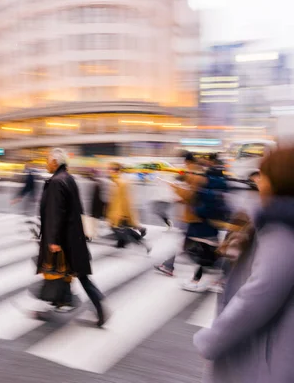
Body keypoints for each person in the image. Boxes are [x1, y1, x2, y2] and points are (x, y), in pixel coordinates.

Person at [194, 146, 294, 383]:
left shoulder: (281, 230)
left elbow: (259, 295)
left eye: (263, 174)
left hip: (263, 359)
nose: (257, 180)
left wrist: (212, 340)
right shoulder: (274, 222)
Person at [36, 148, 106, 326]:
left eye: (47, 160)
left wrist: (53, 240)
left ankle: (66, 304)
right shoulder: (69, 178)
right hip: (73, 237)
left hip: (63, 239)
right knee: (76, 275)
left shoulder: (57, 182)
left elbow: (55, 213)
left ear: (54, 162)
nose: (45, 163)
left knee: (58, 272)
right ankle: (67, 304)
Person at [154, 152, 218, 291]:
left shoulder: (196, 175)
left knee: (201, 249)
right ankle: (170, 266)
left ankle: (213, 275)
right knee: (194, 246)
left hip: (196, 218)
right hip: (195, 217)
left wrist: (172, 186)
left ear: (188, 161)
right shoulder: (197, 174)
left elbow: (191, 195)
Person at [106, 162, 148, 251]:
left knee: (123, 230)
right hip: (116, 212)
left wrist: (125, 214)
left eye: (111, 169)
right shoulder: (115, 181)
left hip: (119, 213)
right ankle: (121, 244)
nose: (109, 171)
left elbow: (125, 201)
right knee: (121, 229)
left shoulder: (121, 182)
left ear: (117, 171)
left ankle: (143, 243)